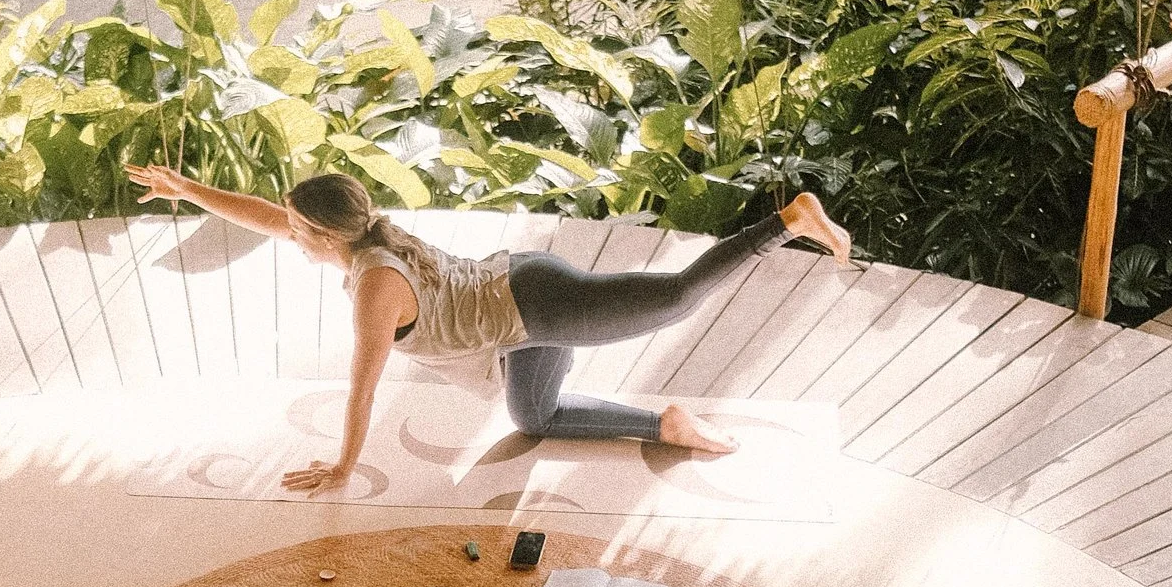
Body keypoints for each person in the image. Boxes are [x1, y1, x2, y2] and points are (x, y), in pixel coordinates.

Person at [127, 161, 853, 489]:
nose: (287, 233)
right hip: (517, 320)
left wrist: (345, 466)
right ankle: (667, 426)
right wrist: (185, 188)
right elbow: (265, 215)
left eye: (296, 228)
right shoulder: (358, 236)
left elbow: (362, 389)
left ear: (323, 233)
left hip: (536, 302)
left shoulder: (376, 286)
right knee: (533, 415)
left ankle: (788, 221)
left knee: (672, 299)